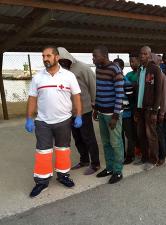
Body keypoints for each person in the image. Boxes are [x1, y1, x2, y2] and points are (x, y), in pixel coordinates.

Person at [25, 46, 82, 198]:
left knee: (63, 149)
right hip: (42, 122)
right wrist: (29, 118)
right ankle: (41, 182)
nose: (45, 59)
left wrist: (79, 115)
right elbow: (32, 98)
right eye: (43, 56)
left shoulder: (69, 76)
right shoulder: (38, 77)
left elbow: (76, 96)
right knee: (43, 152)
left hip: (63, 120)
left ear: (56, 57)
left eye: (48, 56)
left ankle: (63, 176)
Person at [57, 47, 100, 175]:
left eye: (63, 61)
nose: (62, 64)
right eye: (59, 62)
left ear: (68, 57)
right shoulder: (60, 71)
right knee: (77, 137)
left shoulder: (82, 68)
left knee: (88, 137)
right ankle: (84, 160)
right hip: (69, 111)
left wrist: (94, 104)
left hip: (84, 109)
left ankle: (95, 164)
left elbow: (93, 85)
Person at [93, 46, 124, 184]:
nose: (93, 59)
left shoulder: (115, 70)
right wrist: (96, 108)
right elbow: (99, 90)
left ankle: (118, 171)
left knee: (116, 143)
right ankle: (109, 168)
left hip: (113, 114)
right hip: (102, 111)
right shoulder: (98, 68)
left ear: (104, 56)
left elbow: (119, 94)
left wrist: (115, 116)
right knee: (106, 143)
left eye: (95, 56)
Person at [135, 46, 162, 171]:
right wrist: (136, 108)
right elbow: (138, 90)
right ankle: (145, 157)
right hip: (140, 108)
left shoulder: (155, 69)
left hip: (150, 108)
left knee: (151, 135)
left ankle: (153, 159)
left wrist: (155, 110)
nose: (142, 56)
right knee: (141, 134)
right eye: (141, 54)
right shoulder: (140, 70)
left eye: (145, 54)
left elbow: (158, 91)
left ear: (150, 55)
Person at [121, 54, 139, 164]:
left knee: (132, 133)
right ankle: (127, 153)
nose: (132, 64)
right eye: (130, 62)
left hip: (136, 109)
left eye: (134, 61)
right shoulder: (128, 74)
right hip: (128, 109)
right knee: (128, 133)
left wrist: (133, 85)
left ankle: (132, 154)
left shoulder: (141, 74)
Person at [151, 53, 166, 166]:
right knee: (152, 134)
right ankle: (154, 155)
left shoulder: (161, 75)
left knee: (159, 134)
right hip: (149, 110)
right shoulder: (147, 74)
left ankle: (162, 156)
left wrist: (162, 112)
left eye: (153, 61)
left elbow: (163, 95)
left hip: (158, 110)